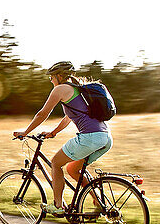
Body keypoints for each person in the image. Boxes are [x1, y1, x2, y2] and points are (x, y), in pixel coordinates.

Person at [13, 61, 113, 216]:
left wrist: (25, 132)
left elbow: (42, 114)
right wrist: (53, 132)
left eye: (51, 77)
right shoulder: (77, 90)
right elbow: (68, 118)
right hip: (105, 138)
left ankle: (58, 206)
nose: (51, 81)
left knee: (55, 163)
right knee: (73, 169)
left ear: (59, 76)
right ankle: (98, 202)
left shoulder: (60, 89)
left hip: (89, 138)